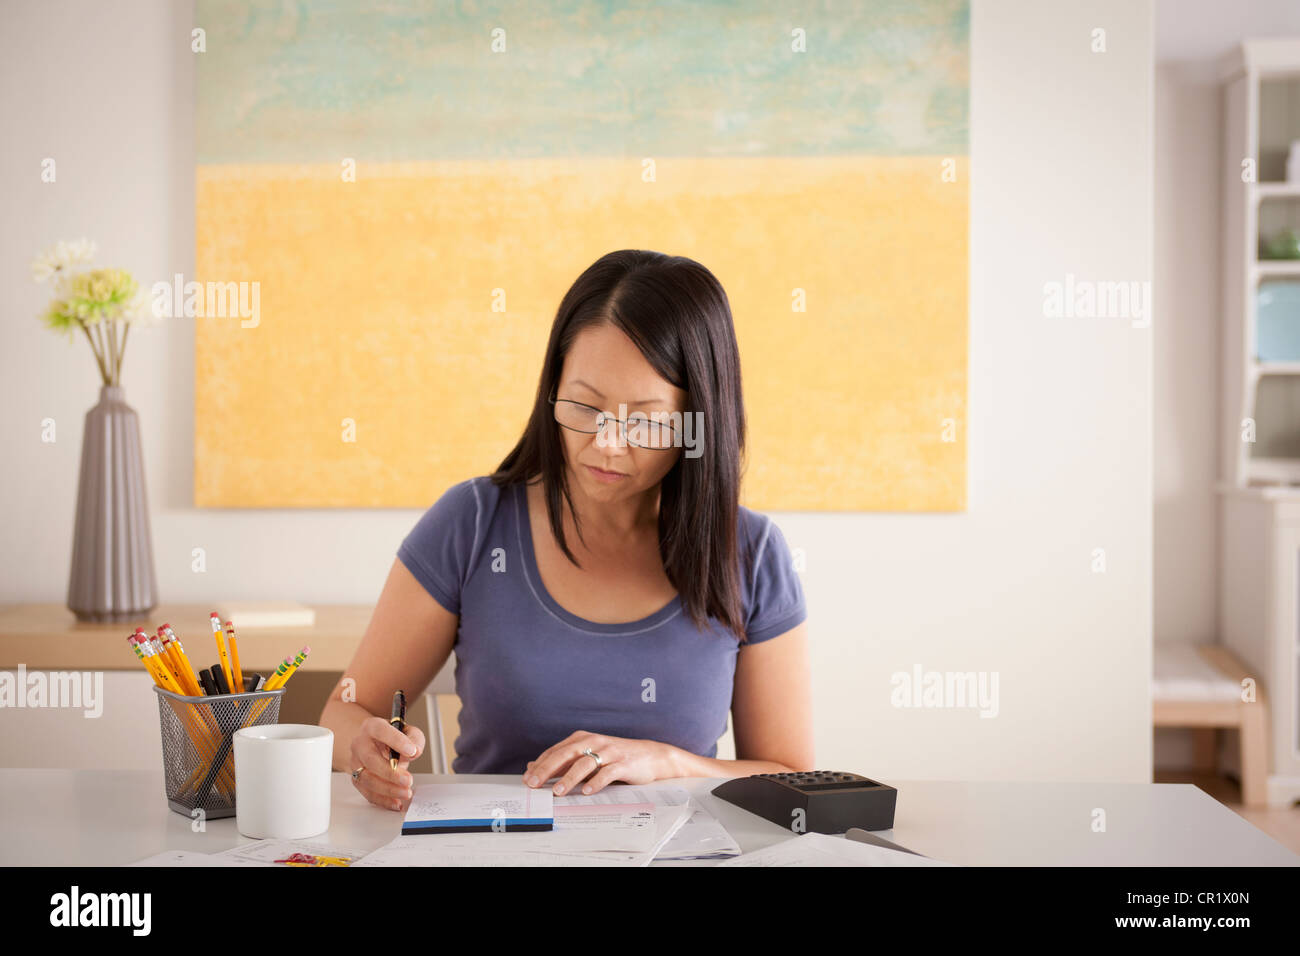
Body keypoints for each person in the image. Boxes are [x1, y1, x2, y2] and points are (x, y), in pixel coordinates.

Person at [321, 249, 812, 811]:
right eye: (583, 405)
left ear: (698, 419)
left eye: (646, 421)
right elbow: (343, 712)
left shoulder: (750, 554)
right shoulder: (472, 523)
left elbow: (791, 778)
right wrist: (362, 749)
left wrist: (669, 762)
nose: (606, 442)